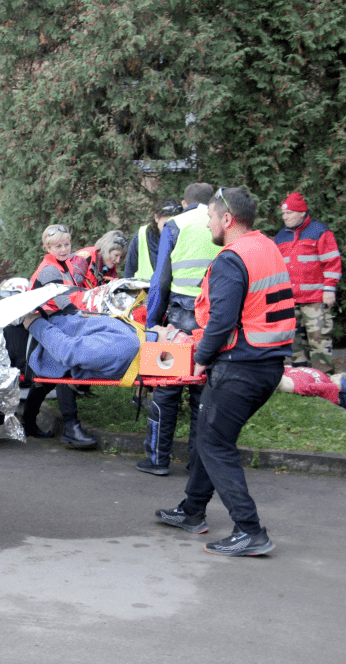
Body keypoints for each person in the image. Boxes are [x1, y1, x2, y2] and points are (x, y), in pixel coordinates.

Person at [155, 187, 294, 556]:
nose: (208, 224)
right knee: (211, 436)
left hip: (241, 367)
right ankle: (192, 510)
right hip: (265, 362)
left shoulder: (232, 259)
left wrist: (200, 356)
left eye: (211, 218)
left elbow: (222, 320)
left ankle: (250, 531)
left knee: (214, 442)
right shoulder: (265, 246)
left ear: (227, 220)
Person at [139, 182, 220, 476]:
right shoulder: (222, 220)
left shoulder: (176, 224)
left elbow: (161, 279)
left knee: (166, 390)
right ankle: (198, 464)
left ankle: (158, 459)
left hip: (179, 316)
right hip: (212, 316)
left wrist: (153, 321)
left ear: (185, 203)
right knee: (202, 394)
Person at [23, 224, 97, 448]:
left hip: (50, 324)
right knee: (64, 371)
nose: (64, 249)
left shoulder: (66, 266)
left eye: (67, 244)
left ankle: (28, 425)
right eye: (58, 246)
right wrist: (91, 316)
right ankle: (71, 428)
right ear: (47, 247)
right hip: (40, 325)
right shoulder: (50, 269)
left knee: (44, 382)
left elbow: (74, 297)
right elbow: (66, 305)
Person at [274, 192, 341, 374]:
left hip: (316, 299)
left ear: (302, 212)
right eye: (283, 214)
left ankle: (324, 377)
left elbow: (332, 262)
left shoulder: (320, 231)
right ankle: (301, 376)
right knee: (293, 340)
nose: (285, 217)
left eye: (289, 213)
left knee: (319, 338)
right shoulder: (280, 237)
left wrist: (329, 289)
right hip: (290, 300)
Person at [124, 198, 182, 280]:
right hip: (144, 290)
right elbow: (129, 271)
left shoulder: (184, 235)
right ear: (156, 218)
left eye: (174, 225)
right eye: (166, 225)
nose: (170, 229)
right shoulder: (141, 236)